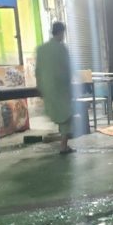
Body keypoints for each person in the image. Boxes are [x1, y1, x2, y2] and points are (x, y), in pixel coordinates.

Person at [35, 22, 75, 154]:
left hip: (48, 89)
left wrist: (41, 87)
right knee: (66, 117)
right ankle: (63, 146)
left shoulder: (41, 49)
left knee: (58, 114)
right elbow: (68, 69)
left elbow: (38, 71)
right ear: (61, 32)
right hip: (61, 88)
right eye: (63, 33)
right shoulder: (62, 49)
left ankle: (63, 144)